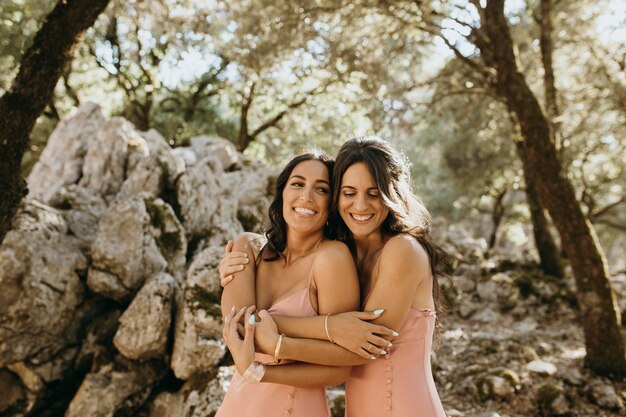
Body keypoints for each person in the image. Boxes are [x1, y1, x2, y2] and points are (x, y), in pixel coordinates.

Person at [220, 136, 447, 417]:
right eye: (349, 192)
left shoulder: (402, 250)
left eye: (374, 193)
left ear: (392, 194)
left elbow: (364, 346)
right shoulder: (347, 253)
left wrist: (276, 334)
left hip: (405, 407)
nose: (360, 205)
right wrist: (330, 327)